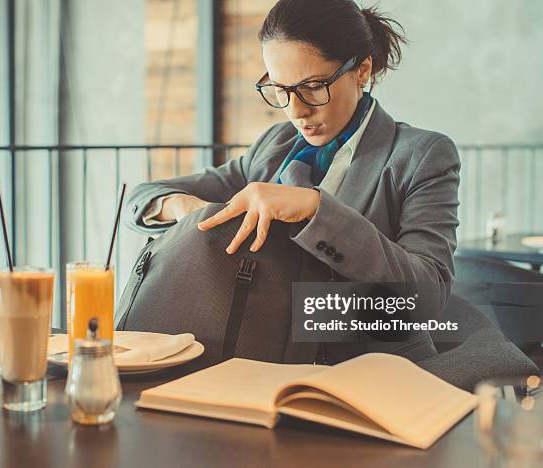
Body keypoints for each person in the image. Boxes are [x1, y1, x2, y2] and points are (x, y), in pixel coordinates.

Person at [124, 0, 460, 364]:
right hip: (255, 360)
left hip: (371, 369)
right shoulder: (275, 146)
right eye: (280, 89)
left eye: (313, 87)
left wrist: (317, 210)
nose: (296, 110)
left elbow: (428, 297)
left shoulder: (422, 155)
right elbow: (142, 198)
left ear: (362, 70)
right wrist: (184, 209)